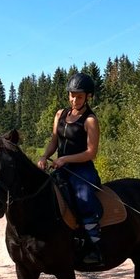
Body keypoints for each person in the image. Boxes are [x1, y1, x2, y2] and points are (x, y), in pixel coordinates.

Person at [38, 72, 103, 266]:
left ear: (88, 96)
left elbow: (91, 152)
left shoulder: (90, 120)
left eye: (79, 96)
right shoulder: (60, 114)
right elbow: (54, 141)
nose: (74, 99)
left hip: (82, 170)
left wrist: (65, 159)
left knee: (83, 199)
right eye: (72, 95)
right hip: (61, 167)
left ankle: (95, 247)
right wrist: (44, 156)